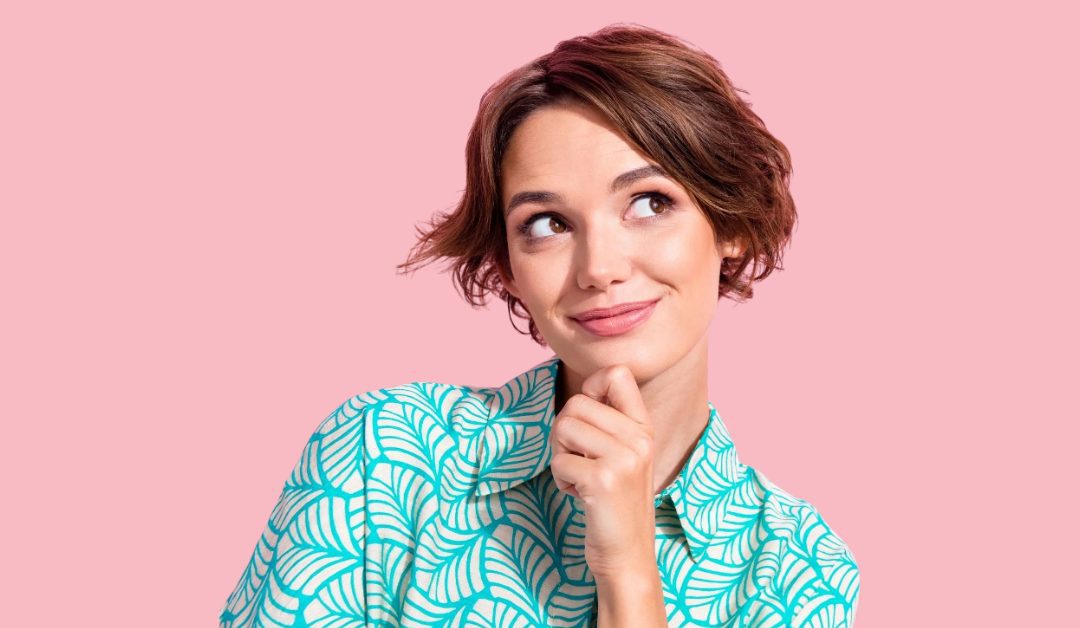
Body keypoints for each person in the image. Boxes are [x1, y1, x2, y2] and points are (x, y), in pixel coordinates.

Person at [220, 22, 860, 627]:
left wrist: (630, 571)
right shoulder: (386, 457)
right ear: (508, 267)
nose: (600, 268)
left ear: (733, 224)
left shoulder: (798, 569)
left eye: (648, 203)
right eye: (548, 223)